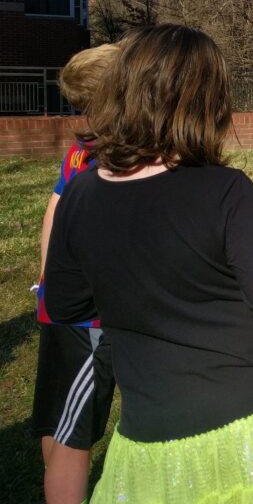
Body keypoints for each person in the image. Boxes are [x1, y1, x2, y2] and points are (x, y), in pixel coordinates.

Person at [43, 24, 253, 504]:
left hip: (150, 433)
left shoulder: (79, 193)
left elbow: (66, 300)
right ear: (208, 105)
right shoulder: (226, 189)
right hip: (249, 422)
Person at [32, 44, 119, 504]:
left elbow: (53, 211)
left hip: (57, 302)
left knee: (57, 417)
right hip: (87, 319)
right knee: (73, 436)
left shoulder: (79, 152)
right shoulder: (110, 157)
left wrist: (46, 283)